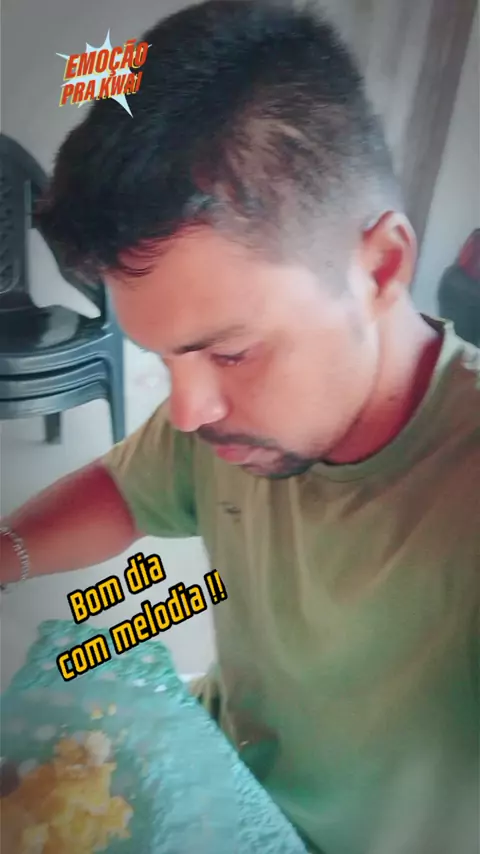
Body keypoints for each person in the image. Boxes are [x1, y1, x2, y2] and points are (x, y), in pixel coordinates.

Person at [1, 2, 478, 852]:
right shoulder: (230, 423)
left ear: (381, 266)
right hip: (222, 783)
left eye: (230, 353)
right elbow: (126, 489)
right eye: (164, 359)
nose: (188, 412)